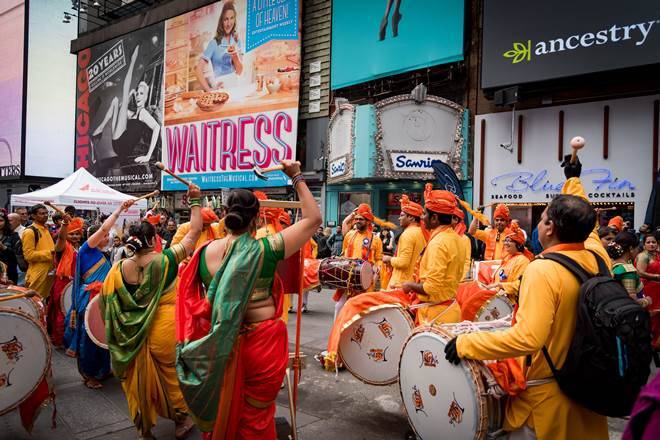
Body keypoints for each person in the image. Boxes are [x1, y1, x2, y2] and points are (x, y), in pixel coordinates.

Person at [444, 155, 610, 439]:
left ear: (549, 228)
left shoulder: (543, 270)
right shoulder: (597, 256)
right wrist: (573, 180)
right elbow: (589, 225)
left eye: (543, 217)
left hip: (546, 408)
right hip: (588, 398)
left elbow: (527, 339)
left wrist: (466, 344)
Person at [176, 160, 321, 438]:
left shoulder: (203, 253)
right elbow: (313, 219)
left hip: (220, 347)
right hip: (262, 346)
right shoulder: (266, 249)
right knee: (256, 414)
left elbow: (190, 298)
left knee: (225, 408)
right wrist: (296, 176)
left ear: (224, 216)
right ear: (256, 219)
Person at [102, 185, 203, 439]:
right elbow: (194, 233)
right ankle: (181, 420)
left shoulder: (119, 267)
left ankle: (144, 431)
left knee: (137, 383)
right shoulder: (165, 260)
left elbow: (107, 301)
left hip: (129, 336)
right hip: (163, 330)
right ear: (152, 238)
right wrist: (195, 201)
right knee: (171, 377)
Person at [63, 214, 126, 389]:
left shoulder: (102, 254)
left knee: (103, 336)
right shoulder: (86, 250)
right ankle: (89, 374)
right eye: (104, 235)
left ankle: (103, 369)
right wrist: (120, 210)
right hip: (89, 300)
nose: (107, 237)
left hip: (104, 299)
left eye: (107, 236)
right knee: (89, 338)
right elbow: (104, 228)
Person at [402, 184, 465, 325]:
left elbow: (432, 287)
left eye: (424, 214)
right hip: (449, 309)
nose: (422, 218)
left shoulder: (439, 243)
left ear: (435, 218)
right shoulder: (457, 238)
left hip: (437, 315)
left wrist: (410, 285)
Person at [91, 45, 160, 165]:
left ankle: (132, 61)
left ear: (146, 96)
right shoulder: (133, 114)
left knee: (124, 91)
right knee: (116, 101)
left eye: (141, 93)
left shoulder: (143, 113)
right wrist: (130, 95)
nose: (138, 95)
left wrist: (148, 156)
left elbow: (157, 127)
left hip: (122, 146)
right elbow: (121, 109)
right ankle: (101, 128)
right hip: (118, 142)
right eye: (137, 93)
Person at [334, 204, 383, 319]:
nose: (357, 221)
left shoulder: (375, 239)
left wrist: (375, 275)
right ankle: (337, 332)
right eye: (356, 219)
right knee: (339, 306)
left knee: (361, 312)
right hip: (348, 278)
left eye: (360, 219)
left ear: (368, 221)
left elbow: (379, 259)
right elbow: (344, 252)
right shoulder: (349, 235)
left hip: (365, 280)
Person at [49, 216, 84, 348]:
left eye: (77, 233)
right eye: (72, 233)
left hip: (76, 284)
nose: (74, 236)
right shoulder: (62, 248)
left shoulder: (80, 248)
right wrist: (64, 224)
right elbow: (61, 238)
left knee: (73, 313)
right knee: (62, 312)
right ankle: (60, 340)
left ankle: (71, 340)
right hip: (62, 284)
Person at [195, 1, 244, 92]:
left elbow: (239, 71)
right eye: (225, 19)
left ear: (235, 19)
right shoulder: (214, 43)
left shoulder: (236, 40)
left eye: (231, 18)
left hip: (236, 85)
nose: (229, 23)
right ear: (221, 21)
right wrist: (209, 90)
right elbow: (198, 70)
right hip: (221, 87)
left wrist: (235, 55)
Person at [382, 195, 425, 289]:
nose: (398, 218)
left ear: (411, 218)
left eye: (402, 215)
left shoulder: (408, 234)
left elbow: (403, 263)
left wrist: (388, 259)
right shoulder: (421, 232)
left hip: (400, 284)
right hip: (413, 283)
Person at [485, 221, 533, 302]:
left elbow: (520, 285)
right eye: (505, 240)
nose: (506, 243)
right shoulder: (508, 258)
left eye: (509, 241)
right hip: (499, 300)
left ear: (518, 244)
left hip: (511, 304)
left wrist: (500, 285)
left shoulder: (523, 261)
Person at [607, 233, 650, 308]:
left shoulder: (609, 263)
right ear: (631, 249)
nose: (638, 251)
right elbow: (631, 302)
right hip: (627, 313)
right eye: (637, 248)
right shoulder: (627, 271)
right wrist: (646, 301)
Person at [22, 204, 56, 299]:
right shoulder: (29, 231)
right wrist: (51, 253)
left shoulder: (45, 229)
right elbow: (29, 255)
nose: (45, 215)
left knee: (44, 303)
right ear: (33, 216)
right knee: (35, 302)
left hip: (49, 272)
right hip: (37, 274)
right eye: (41, 213)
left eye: (46, 213)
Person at [636, 234, 660, 349]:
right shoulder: (643, 256)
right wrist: (656, 277)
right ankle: (650, 343)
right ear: (644, 244)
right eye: (648, 242)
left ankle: (656, 342)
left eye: (654, 242)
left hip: (657, 289)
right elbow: (640, 272)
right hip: (648, 288)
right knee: (652, 315)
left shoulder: (657, 255)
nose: (651, 244)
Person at [0, 212, 23, 284]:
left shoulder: (14, 235)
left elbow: (17, 254)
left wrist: (4, 248)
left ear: (6, 222)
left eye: (0, 221)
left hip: (10, 271)